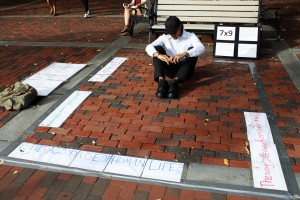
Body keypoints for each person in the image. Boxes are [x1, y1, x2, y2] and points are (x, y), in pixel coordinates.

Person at [145, 16, 205, 99]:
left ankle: (175, 83)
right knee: (156, 50)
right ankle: (161, 82)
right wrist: (158, 55)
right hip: (170, 67)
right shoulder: (165, 37)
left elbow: (201, 48)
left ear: (180, 26)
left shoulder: (190, 36)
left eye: (174, 32)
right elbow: (149, 46)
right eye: (170, 32)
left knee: (192, 51)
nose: (172, 35)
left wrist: (184, 54)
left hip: (185, 70)